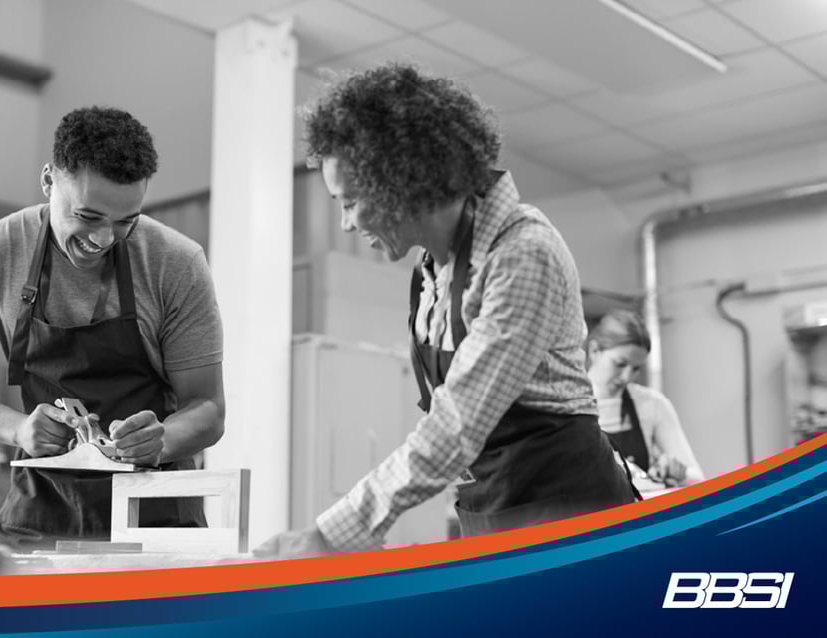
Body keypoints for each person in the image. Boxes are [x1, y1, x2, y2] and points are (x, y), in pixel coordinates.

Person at [254, 63, 636, 558]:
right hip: (492, 511)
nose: (346, 224)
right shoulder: (432, 271)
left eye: (350, 203)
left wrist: (331, 535)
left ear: (403, 183)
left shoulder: (523, 254)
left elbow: (460, 420)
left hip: (568, 513)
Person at [0, 106, 225, 549]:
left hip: (156, 519)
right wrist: (18, 429)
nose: (103, 239)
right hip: (41, 513)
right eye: (88, 217)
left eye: (125, 222)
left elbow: (209, 407)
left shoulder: (175, 264)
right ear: (49, 181)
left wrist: (161, 441)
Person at [586, 310, 704, 488]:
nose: (626, 377)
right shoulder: (567, 405)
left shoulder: (652, 404)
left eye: (635, 368)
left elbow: (697, 479)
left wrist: (673, 472)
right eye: (620, 364)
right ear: (594, 350)